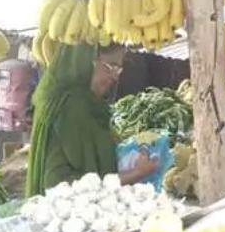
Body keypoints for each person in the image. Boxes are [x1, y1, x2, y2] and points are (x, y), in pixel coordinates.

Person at [26, 44, 158, 196]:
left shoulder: (91, 107)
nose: (115, 76)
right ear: (85, 63)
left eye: (118, 69)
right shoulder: (71, 108)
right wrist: (135, 174)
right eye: (110, 67)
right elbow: (59, 186)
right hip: (69, 215)